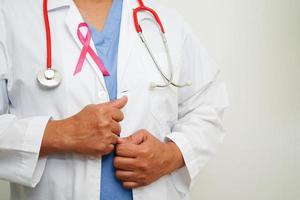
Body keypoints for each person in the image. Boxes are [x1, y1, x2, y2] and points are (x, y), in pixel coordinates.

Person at [0, 0, 228, 199]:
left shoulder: (165, 21)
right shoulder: (10, 17)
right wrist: (59, 134)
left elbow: (208, 103)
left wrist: (170, 155)